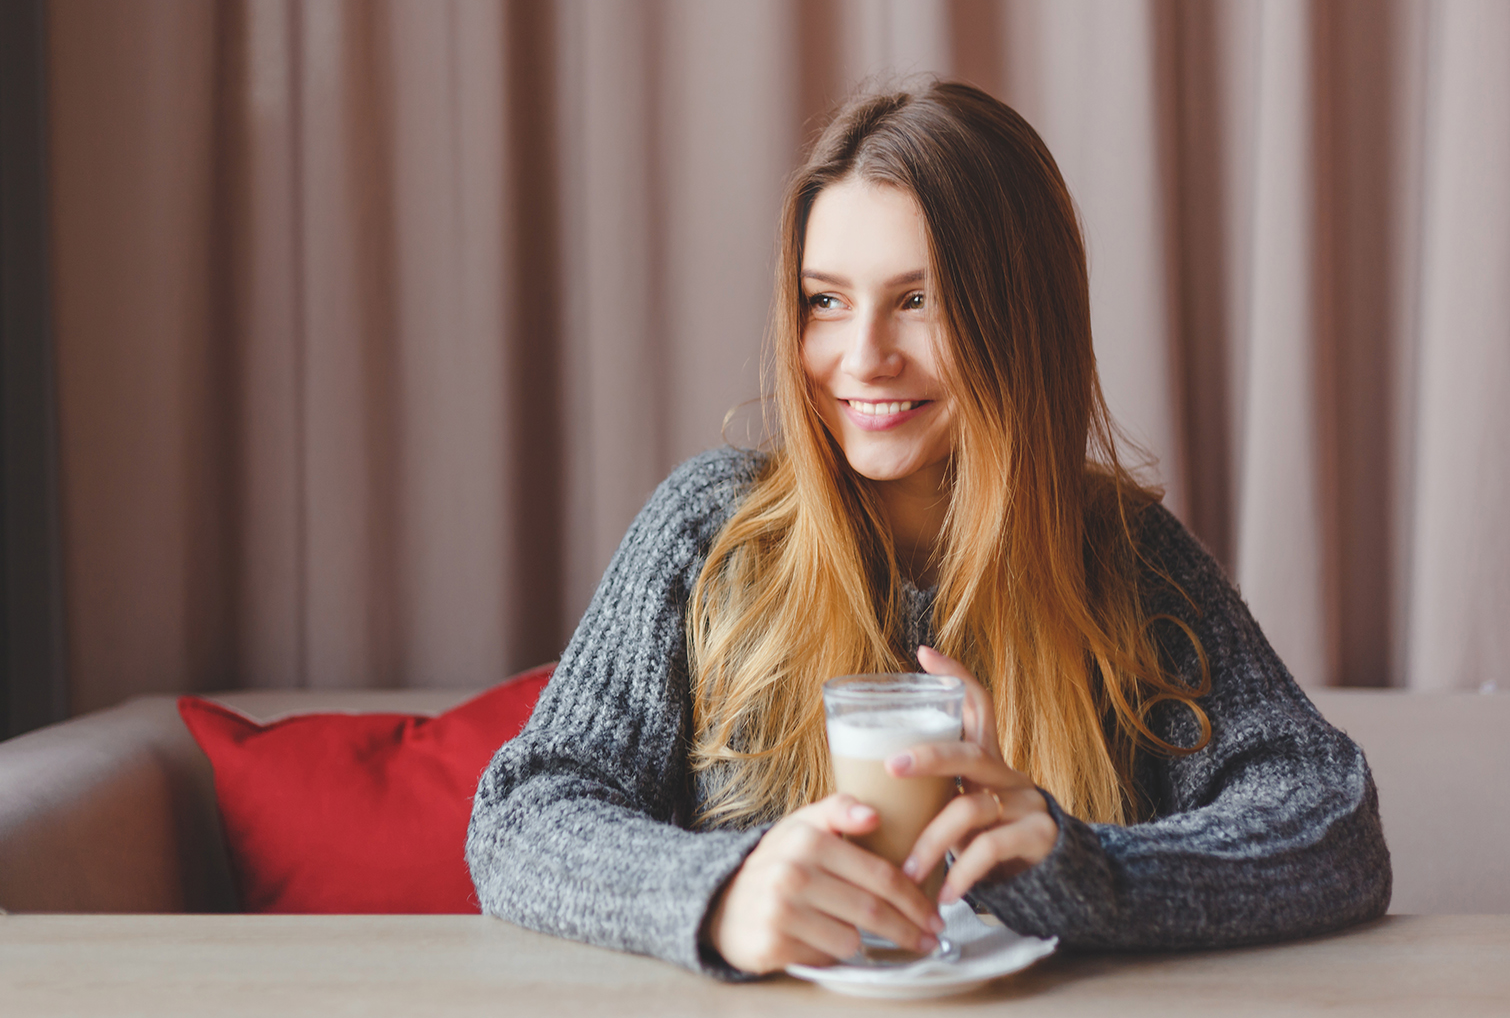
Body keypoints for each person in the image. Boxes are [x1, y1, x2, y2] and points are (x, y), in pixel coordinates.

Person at [467, 80, 1391, 978]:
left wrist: (1091, 870)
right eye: (825, 300)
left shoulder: (1128, 559)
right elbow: (524, 814)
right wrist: (720, 893)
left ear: (1019, 319)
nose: (862, 356)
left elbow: (1331, 821)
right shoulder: (710, 535)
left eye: (919, 299)